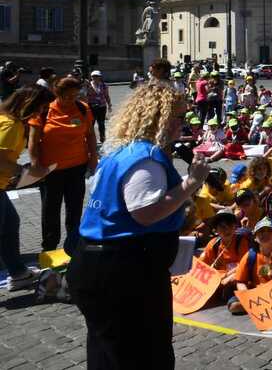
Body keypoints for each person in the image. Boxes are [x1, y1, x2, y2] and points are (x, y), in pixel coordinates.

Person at [68, 80, 211, 369]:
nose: (181, 124)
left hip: (100, 264)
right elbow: (145, 212)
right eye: (178, 117)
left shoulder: (122, 151)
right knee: (144, 354)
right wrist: (191, 183)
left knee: (107, 352)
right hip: (123, 271)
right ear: (160, 117)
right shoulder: (146, 157)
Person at [28, 76, 97, 254]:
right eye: (66, 96)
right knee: (51, 211)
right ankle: (49, 249)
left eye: (74, 95)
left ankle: (73, 247)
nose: (70, 100)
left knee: (74, 210)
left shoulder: (83, 108)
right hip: (50, 171)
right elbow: (33, 141)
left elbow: (90, 135)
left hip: (77, 167)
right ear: (56, 93)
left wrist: (93, 158)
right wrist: (35, 165)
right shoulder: (44, 111)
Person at [0, 86, 55, 290]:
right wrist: (24, 171)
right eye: (41, 107)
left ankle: (17, 273)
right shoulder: (10, 125)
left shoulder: (8, 120)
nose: (41, 112)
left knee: (10, 225)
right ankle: (17, 273)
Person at [85, 70, 112, 145]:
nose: (95, 78)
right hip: (92, 107)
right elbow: (85, 96)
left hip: (102, 107)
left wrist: (109, 105)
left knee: (101, 123)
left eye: (97, 76)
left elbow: (106, 96)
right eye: (94, 76)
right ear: (91, 77)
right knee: (91, 124)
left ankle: (102, 138)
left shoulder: (103, 85)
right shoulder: (88, 85)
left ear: (100, 77)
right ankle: (90, 139)